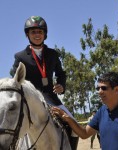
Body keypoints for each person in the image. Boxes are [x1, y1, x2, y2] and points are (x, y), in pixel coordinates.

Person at [10, 16, 78, 150]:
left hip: (51, 98)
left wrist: (61, 85)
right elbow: (15, 78)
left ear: (45, 34)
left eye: (40, 32)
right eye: (33, 32)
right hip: (31, 99)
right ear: (27, 34)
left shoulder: (53, 54)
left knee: (74, 125)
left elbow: (61, 73)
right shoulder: (20, 56)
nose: (37, 35)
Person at [52, 71, 118, 150]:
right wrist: (68, 119)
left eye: (103, 88)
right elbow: (84, 133)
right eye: (98, 88)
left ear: (116, 89)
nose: (99, 91)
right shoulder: (102, 111)